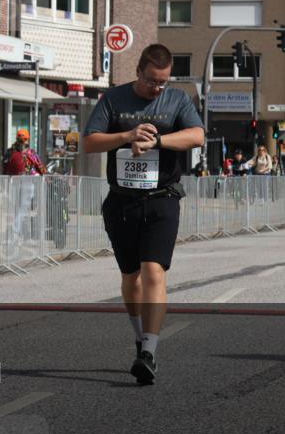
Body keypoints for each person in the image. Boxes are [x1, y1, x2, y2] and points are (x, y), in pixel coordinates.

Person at [82, 43, 205, 385]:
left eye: (163, 82)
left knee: (154, 270)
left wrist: (158, 142)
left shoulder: (177, 100)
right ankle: (139, 336)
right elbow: (90, 142)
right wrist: (127, 135)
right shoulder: (113, 99)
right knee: (130, 276)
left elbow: (197, 136)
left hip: (162, 197)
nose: (157, 88)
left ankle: (149, 351)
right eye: (152, 81)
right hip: (122, 201)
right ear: (138, 71)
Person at [3, 128, 47, 241]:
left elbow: (4, 167)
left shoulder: (9, 151)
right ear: (27, 139)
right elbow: (40, 166)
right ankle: (15, 232)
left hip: (13, 182)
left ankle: (20, 233)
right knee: (23, 208)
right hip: (27, 181)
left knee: (17, 208)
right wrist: (45, 175)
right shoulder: (30, 152)